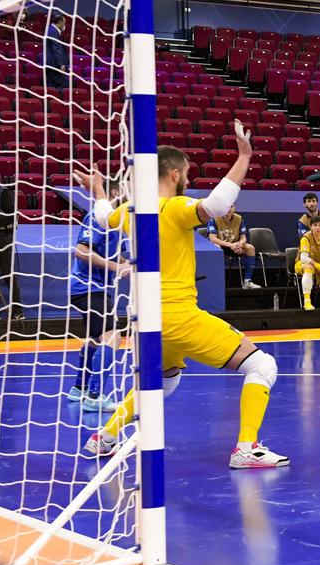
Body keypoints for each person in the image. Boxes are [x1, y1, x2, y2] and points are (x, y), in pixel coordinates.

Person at [76, 125, 288, 468]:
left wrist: (98, 190)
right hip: (177, 315)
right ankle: (247, 447)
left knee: (165, 382)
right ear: (175, 174)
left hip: (148, 318)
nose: (188, 179)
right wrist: (245, 156)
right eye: (187, 173)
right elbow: (218, 204)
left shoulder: (132, 210)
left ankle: (106, 437)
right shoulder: (173, 207)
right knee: (262, 365)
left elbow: (102, 216)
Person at [67, 182, 128, 413]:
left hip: (97, 289)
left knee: (95, 338)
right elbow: (81, 251)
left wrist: (133, 266)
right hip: (87, 288)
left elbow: (120, 257)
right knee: (113, 336)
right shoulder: (97, 216)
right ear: (115, 192)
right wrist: (115, 266)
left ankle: (79, 389)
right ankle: (95, 395)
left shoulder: (120, 223)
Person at [205, 204, 260, 290]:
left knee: (250, 248)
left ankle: (247, 282)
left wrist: (240, 245)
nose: (229, 209)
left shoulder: (239, 218)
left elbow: (243, 238)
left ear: (234, 207)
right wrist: (231, 245)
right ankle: (216, 282)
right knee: (217, 247)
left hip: (234, 246)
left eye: (231, 206)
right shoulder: (214, 218)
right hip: (220, 245)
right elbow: (213, 239)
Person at [0, 183, 21, 321]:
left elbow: (13, 216)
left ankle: (17, 311)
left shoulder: (5, 193)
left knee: (8, 274)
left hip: (4, 237)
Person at [44, 14, 70, 89]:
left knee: (52, 86)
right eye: (64, 23)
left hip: (51, 63)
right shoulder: (53, 32)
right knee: (64, 84)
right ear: (59, 22)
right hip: (54, 64)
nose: (64, 25)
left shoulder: (51, 29)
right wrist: (61, 64)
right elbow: (57, 49)